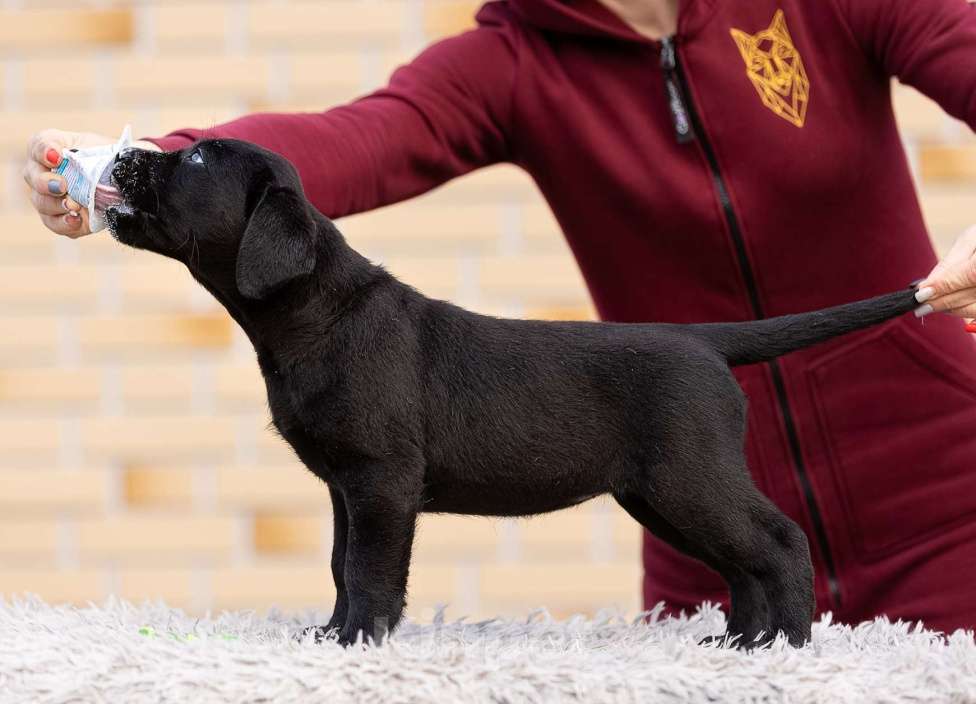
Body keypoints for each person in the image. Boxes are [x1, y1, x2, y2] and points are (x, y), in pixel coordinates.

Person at [24, 0, 976, 633]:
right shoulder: (515, 58)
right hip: (694, 538)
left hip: (946, 511)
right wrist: (154, 167)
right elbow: (359, 138)